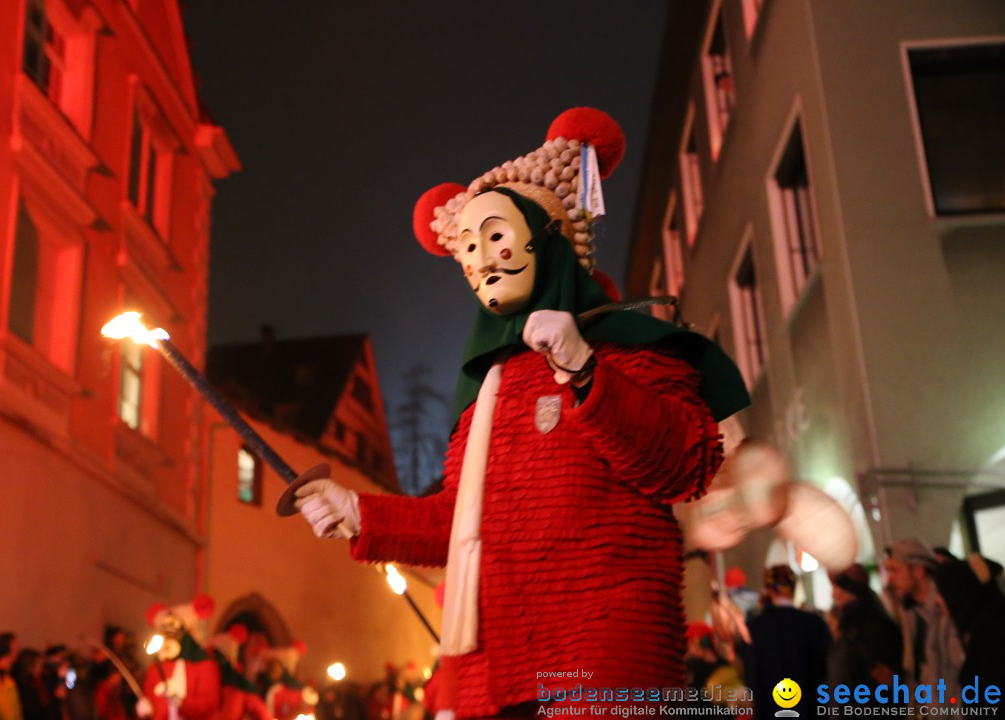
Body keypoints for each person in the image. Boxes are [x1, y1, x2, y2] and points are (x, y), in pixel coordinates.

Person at [292, 108, 749, 718]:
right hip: (499, 664)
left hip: (605, 656)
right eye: (471, 247)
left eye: (497, 236)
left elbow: (685, 466)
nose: (483, 259)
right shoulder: (487, 390)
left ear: (547, 234)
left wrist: (588, 372)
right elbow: (460, 524)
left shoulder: (629, 346)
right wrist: (360, 513)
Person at [740, 566, 831, 717]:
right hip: (810, 708)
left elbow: (750, 673)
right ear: (794, 588)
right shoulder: (814, 624)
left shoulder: (753, 629)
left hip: (769, 709)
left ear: (768, 590)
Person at [883, 539, 964, 693]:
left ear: (918, 571)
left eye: (895, 570)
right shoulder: (910, 611)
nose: (890, 579)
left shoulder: (948, 609)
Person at [933, 554, 1005, 705]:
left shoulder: (990, 635)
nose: (937, 601)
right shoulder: (983, 627)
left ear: (957, 594)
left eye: (942, 593)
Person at [825, 564, 902, 695]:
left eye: (838, 587)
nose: (834, 594)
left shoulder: (870, 627)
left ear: (851, 591)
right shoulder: (852, 625)